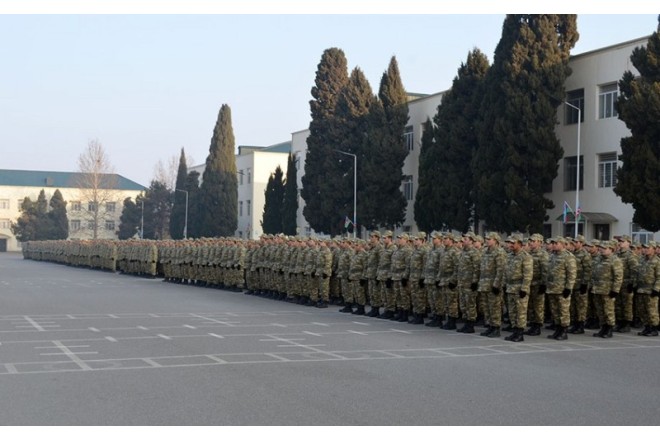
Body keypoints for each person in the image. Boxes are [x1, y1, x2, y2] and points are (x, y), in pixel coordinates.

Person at [590, 240, 623, 338]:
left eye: (605, 248)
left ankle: (609, 329)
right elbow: (593, 273)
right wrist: (591, 286)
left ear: (611, 249)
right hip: (597, 289)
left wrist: (615, 290)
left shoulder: (615, 260)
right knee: (600, 310)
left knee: (608, 310)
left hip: (608, 290)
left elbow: (618, 277)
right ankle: (603, 327)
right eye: (601, 248)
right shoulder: (598, 259)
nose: (602, 250)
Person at [503, 233, 533, 342]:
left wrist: (524, 289)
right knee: (512, 312)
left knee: (520, 312)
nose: (510, 245)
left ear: (519, 244)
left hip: (520, 288)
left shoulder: (525, 257)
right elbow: (506, 272)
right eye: (509, 243)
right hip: (510, 287)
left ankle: (520, 333)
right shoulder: (510, 256)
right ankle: (515, 331)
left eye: (513, 243)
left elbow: (528, 274)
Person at [546, 237, 577, 340]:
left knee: (563, 311)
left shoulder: (568, 257)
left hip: (562, 289)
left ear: (563, 244)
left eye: (556, 243)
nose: (554, 244)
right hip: (552, 288)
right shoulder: (552, 256)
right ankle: (558, 329)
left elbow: (571, 274)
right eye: (553, 243)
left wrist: (568, 288)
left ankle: (564, 331)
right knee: (555, 311)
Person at [477, 232, 507, 338]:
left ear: (495, 240)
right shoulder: (485, 252)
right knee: (486, 307)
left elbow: (501, 270)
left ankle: (496, 327)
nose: (487, 240)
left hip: (493, 285)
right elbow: (482, 269)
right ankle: (490, 325)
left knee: (495, 307)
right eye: (486, 238)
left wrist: (497, 285)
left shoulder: (499, 252)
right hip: (484, 284)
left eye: (489, 239)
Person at [525, 234, 549, 336]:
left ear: (539, 242)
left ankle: (538, 325)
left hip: (538, 284)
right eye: (530, 241)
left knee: (538, 306)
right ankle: (533, 324)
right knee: (530, 306)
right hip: (529, 284)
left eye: (533, 241)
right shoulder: (528, 253)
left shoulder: (543, 255)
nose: (531, 243)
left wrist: (543, 284)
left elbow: (545, 271)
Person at [634, 241, 659, 336]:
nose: (645, 250)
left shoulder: (657, 261)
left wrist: (656, 289)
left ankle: (654, 329)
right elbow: (637, 274)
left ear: (654, 249)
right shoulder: (641, 260)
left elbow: (659, 277)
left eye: (647, 248)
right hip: (641, 289)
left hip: (651, 290)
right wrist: (635, 285)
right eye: (644, 248)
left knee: (651, 310)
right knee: (642, 310)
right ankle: (647, 327)